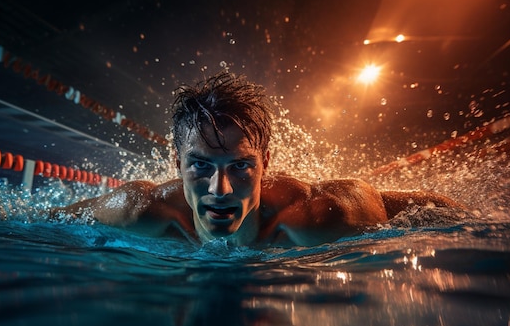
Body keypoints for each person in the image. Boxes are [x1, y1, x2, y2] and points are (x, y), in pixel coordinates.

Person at [51, 72, 464, 248]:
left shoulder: (321, 216)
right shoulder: (140, 211)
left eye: (240, 166)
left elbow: (431, 208)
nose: (221, 191)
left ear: (266, 162)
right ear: (176, 162)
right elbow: (57, 217)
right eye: (201, 165)